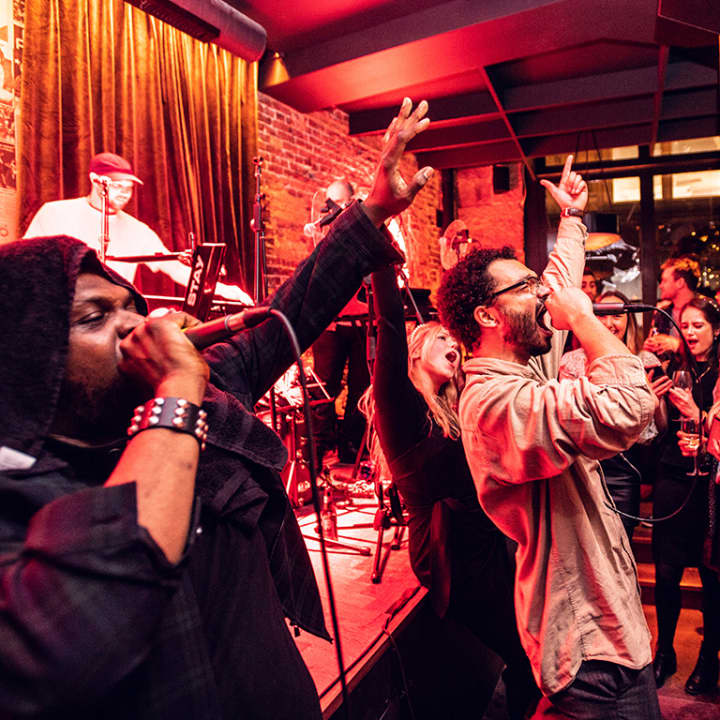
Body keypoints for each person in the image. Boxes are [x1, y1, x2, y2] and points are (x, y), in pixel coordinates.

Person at [0, 98, 433, 718]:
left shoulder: (205, 387)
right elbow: (79, 636)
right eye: (94, 317)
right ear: (27, 355)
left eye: (131, 308)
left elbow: (295, 307)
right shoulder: (20, 489)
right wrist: (176, 393)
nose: (134, 327)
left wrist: (373, 212)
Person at [437, 156, 661, 718]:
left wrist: (573, 220)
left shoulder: (523, 366)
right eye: (527, 288)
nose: (545, 295)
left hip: (609, 632)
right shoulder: (494, 402)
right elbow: (631, 406)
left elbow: (557, 280)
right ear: (489, 317)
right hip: (592, 650)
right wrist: (585, 319)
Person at [359, 266, 540, 719]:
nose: (454, 346)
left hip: (485, 544)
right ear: (416, 349)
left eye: (456, 341)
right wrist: (382, 264)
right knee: (523, 652)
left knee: (528, 647)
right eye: (442, 338)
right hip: (450, 555)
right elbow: (388, 325)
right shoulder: (400, 406)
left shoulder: (452, 409)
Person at [23, 151, 252, 304]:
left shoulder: (137, 230)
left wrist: (224, 290)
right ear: (94, 179)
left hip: (113, 316)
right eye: (117, 185)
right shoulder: (55, 213)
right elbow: (26, 259)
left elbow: (174, 268)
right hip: (64, 309)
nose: (124, 193)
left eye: (128, 188)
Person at [650, 295, 720, 695]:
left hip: (709, 483)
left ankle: (709, 659)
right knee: (665, 572)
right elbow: (661, 427)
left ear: (715, 329)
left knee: (711, 577)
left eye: (699, 325)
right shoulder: (675, 368)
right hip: (673, 475)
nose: (690, 332)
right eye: (686, 325)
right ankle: (665, 652)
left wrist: (698, 414)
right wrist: (653, 400)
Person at [559, 289, 666, 539]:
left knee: (621, 541)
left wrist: (651, 404)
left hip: (624, 470)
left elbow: (655, 433)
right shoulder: (571, 361)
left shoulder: (645, 361)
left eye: (617, 316)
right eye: (602, 315)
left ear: (629, 321)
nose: (609, 323)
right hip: (582, 467)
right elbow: (571, 421)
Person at [309, 179, 372, 465]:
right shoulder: (322, 232)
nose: (333, 209)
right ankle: (318, 452)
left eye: (340, 203)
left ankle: (352, 450)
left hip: (360, 323)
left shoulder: (360, 230)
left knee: (360, 388)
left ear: (351, 202)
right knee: (323, 388)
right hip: (330, 325)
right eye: (330, 203)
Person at [644, 256, 700, 360]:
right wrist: (650, 346)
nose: (661, 286)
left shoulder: (705, 310)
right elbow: (652, 344)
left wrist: (678, 345)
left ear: (680, 283)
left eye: (665, 281)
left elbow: (713, 349)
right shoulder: (662, 312)